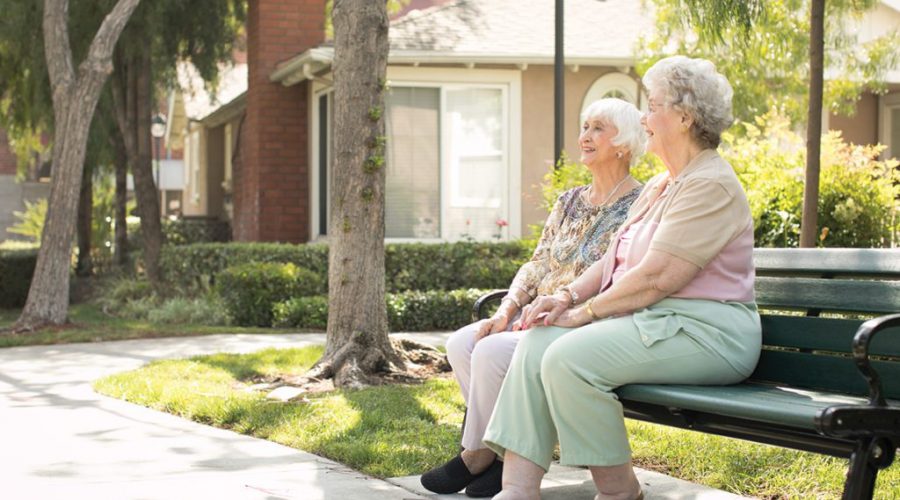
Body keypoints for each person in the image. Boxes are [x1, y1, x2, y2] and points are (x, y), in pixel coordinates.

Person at [481, 56, 761, 500]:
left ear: (685, 117)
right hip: (654, 324)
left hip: (707, 333)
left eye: (652, 106)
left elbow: (657, 277)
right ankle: (517, 489)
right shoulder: (661, 185)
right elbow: (613, 260)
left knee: (569, 358)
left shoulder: (710, 183)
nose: (644, 119)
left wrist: (584, 313)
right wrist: (566, 297)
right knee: (538, 340)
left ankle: (618, 492)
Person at [420, 98, 646, 497]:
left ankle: (478, 455)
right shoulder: (569, 201)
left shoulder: (639, 205)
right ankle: (500, 453)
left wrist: (560, 308)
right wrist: (507, 310)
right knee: (464, 342)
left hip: (581, 324)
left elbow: (621, 276)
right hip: (534, 313)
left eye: (597, 128)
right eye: (584, 126)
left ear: (624, 143)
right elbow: (538, 262)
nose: (585, 136)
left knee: (491, 354)